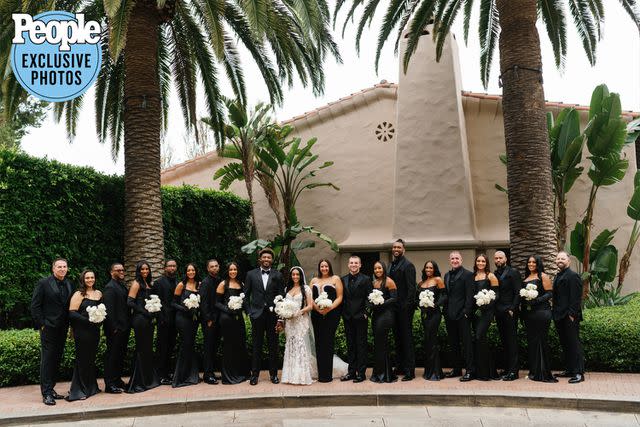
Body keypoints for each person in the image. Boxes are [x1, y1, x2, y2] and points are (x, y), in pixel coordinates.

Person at [31, 258, 74, 405]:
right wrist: (42, 325)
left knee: (56, 359)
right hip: (48, 328)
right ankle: (46, 393)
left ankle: (52, 388)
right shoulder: (43, 283)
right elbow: (35, 306)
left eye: (64, 266)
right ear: (53, 269)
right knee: (48, 360)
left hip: (62, 328)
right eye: (59, 267)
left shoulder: (69, 284)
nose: (62, 269)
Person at [243, 248, 285, 385]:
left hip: (273, 316)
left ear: (272, 260)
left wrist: (280, 317)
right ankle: (254, 375)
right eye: (264, 257)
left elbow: (281, 297)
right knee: (257, 346)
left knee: (273, 346)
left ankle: (273, 375)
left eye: (269, 258)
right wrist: (250, 312)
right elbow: (245, 295)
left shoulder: (278, 275)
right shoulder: (250, 274)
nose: (266, 259)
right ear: (260, 259)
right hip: (257, 315)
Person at [67, 269, 103, 401]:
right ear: (83, 279)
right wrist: (88, 320)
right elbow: (72, 312)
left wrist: (100, 319)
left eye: (92, 277)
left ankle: (91, 387)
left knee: (91, 358)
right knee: (82, 359)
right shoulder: (79, 294)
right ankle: (79, 390)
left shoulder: (99, 293)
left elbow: (101, 310)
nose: (90, 280)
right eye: (87, 278)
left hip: (94, 331)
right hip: (82, 331)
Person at [126, 260, 160, 393]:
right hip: (140, 319)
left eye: (147, 269)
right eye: (142, 269)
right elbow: (130, 302)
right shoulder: (136, 283)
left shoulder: (149, 283)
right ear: (138, 271)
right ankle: (138, 382)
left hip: (149, 319)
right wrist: (144, 312)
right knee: (141, 348)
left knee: (147, 348)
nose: (145, 271)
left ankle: (148, 379)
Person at [521, 255, 556, 383]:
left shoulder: (543, 276)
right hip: (529, 315)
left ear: (538, 263)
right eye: (529, 262)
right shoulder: (526, 277)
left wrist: (536, 300)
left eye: (533, 262)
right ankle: (534, 371)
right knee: (532, 342)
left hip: (542, 312)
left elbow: (550, 293)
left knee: (541, 340)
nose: (531, 264)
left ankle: (543, 372)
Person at [552, 251, 585, 384]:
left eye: (563, 258)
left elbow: (576, 297)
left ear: (568, 261)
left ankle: (579, 373)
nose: (560, 260)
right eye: (558, 258)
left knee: (574, 344)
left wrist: (572, 314)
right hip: (559, 316)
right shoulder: (558, 276)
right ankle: (570, 370)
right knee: (566, 345)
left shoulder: (573, 276)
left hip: (569, 316)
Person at [280, 266, 317, 385]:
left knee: (301, 345)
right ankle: (290, 375)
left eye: (297, 274)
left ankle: (302, 375)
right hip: (290, 323)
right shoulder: (287, 289)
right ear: (290, 276)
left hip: (301, 321)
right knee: (291, 345)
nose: (295, 276)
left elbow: (310, 306)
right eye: (293, 275)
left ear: (301, 276)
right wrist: (285, 315)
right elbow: (283, 305)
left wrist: (298, 312)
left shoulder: (305, 288)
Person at [216, 262, 250, 384]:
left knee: (240, 343)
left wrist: (249, 313)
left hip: (238, 318)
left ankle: (241, 372)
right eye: (231, 269)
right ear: (227, 271)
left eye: (235, 269)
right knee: (229, 345)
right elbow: (217, 303)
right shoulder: (223, 284)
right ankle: (229, 376)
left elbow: (245, 301)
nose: (233, 271)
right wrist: (228, 309)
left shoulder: (241, 283)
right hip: (226, 318)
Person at [443, 251, 475, 381]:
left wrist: (466, 312)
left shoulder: (468, 275)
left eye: (457, 258)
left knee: (466, 344)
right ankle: (457, 369)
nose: (454, 260)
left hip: (462, 315)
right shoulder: (446, 275)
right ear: (450, 260)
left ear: (461, 260)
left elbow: (470, 296)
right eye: (452, 258)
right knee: (453, 343)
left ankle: (470, 370)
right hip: (449, 315)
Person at [340, 255, 372, 383]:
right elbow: (342, 298)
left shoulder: (366, 279)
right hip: (348, 317)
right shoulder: (343, 280)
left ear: (360, 265)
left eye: (356, 263)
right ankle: (351, 372)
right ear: (348, 265)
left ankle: (361, 373)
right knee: (351, 345)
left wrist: (366, 312)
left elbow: (369, 298)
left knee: (361, 345)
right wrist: (343, 313)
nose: (353, 265)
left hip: (360, 317)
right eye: (351, 263)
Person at [310, 259, 344, 382]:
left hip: (331, 315)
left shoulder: (335, 279)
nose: (324, 268)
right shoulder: (314, 280)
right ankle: (321, 374)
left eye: (326, 266)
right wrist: (317, 309)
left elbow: (340, 297)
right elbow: (309, 297)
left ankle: (327, 375)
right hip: (316, 315)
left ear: (329, 267)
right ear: (319, 268)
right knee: (319, 343)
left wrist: (329, 308)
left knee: (328, 343)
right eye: (322, 266)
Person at [388, 239, 417, 380]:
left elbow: (412, 289)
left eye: (399, 247)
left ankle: (409, 370)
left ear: (404, 249)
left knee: (406, 339)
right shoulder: (391, 265)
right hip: (393, 309)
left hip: (404, 309)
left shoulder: (408, 265)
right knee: (397, 338)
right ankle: (399, 366)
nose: (396, 249)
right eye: (394, 247)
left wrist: (407, 307)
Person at [493, 251, 522, 381]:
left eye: (500, 258)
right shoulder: (494, 274)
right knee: (504, 341)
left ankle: (514, 371)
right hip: (498, 311)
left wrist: (512, 309)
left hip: (509, 312)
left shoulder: (513, 272)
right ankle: (506, 368)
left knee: (512, 342)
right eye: (496, 258)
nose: (498, 260)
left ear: (506, 259)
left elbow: (518, 292)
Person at [172, 263, 201, 387]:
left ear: (196, 271)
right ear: (185, 272)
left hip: (194, 320)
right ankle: (180, 377)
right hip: (182, 319)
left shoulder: (199, 285)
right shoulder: (181, 285)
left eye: (193, 270)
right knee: (185, 344)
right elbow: (173, 303)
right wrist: (185, 308)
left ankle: (192, 375)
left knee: (191, 344)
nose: (191, 272)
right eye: (188, 270)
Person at [471, 254, 500, 381]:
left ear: (486, 263)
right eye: (478, 261)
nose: (480, 263)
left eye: (483, 261)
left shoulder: (491, 276)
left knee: (479, 336)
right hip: (475, 312)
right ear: (475, 262)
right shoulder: (472, 276)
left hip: (487, 312)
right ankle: (481, 371)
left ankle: (488, 372)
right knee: (479, 340)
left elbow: (497, 294)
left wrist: (487, 302)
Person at [417, 260, 447, 381]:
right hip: (425, 315)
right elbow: (416, 299)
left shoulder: (438, 280)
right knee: (427, 341)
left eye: (431, 268)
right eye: (427, 268)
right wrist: (421, 305)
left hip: (434, 314)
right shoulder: (421, 283)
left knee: (432, 340)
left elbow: (445, 295)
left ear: (434, 269)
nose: (428, 270)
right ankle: (428, 371)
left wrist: (436, 304)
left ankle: (436, 372)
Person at [103, 262, 130, 394]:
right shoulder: (110, 287)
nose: (121, 271)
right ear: (111, 272)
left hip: (124, 328)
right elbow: (109, 310)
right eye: (117, 270)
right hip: (115, 330)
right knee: (112, 356)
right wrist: (113, 328)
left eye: (122, 269)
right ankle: (110, 384)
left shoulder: (121, 286)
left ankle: (117, 380)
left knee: (120, 355)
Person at [369, 261, 398, 383]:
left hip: (386, 315)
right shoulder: (374, 282)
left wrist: (381, 303)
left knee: (382, 342)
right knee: (379, 343)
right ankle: (381, 372)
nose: (377, 270)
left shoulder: (389, 281)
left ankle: (384, 374)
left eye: (379, 268)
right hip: (376, 315)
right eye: (375, 268)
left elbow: (394, 298)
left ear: (384, 269)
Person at [153, 259, 178, 385]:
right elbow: (156, 303)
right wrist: (161, 318)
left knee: (170, 347)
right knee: (162, 348)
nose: (172, 268)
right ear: (164, 268)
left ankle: (168, 372)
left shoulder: (178, 282)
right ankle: (160, 375)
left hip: (175, 320)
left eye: (174, 266)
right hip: (164, 320)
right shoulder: (158, 283)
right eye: (170, 266)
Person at [200, 259, 222, 384]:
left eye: (216, 266)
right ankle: (207, 375)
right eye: (211, 267)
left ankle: (212, 371)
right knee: (208, 347)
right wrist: (208, 319)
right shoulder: (205, 282)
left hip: (218, 319)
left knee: (214, 346)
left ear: (218, 267)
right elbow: (204, 304)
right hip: (209, 321)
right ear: (208, 269)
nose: (214, 268)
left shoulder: (219, 280)